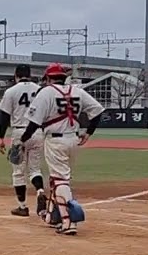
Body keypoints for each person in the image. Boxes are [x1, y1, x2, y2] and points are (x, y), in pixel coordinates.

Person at [19, 63, 105, 236]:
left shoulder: (47, 92)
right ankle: (53, 216)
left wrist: (22, 140)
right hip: (73, 139)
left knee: (60, 180)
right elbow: (97, 111)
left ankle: (68, 222)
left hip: (56, 141)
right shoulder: (77, 91)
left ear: (49, 78)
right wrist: (88, 133)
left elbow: (34, 122)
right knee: (59, 178)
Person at [0, 64, 47, 218]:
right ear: (30, 75)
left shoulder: (11, 91)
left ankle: (22, 207)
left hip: (19, 132)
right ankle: (40, 191)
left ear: (16, 75)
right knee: (35, 169)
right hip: (37, 131)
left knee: (18, 172)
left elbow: (4, 116)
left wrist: (1, 137)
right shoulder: (40, 90)